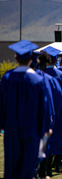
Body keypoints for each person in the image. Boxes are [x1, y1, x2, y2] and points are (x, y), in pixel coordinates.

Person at [0, 40, 51, 179]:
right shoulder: (38, 80)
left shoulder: (7, 78)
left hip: (12, 131)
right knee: (28, 168)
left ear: (16, 58)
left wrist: (2, 124)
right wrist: (46, 128)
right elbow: (44, 107)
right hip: (32, 130)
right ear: (31, 60)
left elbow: (1, 105)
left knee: (12, 168)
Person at [42, 46, 62, 173]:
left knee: (46, 138)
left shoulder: (41, 74)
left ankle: (47, 165)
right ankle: (58, 164)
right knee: (60, 138)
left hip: (44, 113)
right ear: (57, 61)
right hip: (60, 113)